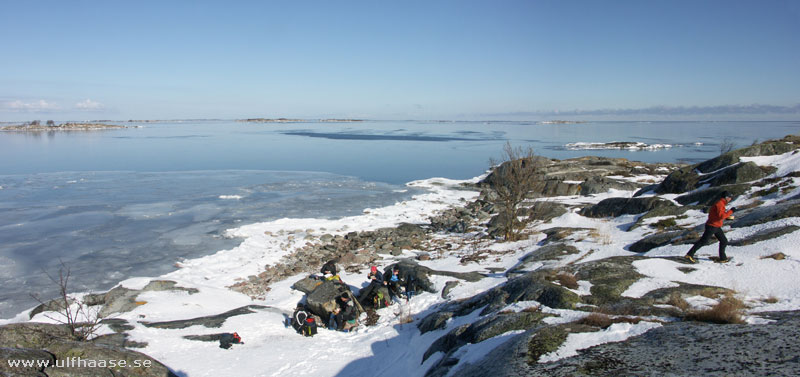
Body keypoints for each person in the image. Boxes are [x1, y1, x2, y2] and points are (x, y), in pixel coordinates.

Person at [685, 191, 737, 263]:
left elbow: (719, 215)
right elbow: (721, 216)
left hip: (716, 226)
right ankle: (689, 255)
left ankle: (723, 258)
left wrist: (727, 216)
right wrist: (731, 211)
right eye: (730, 197)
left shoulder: (721, 204)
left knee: (724, 241)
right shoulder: (719, 204)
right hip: (712, 226)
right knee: (703, 241)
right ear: (726, 197)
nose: (730, 199)